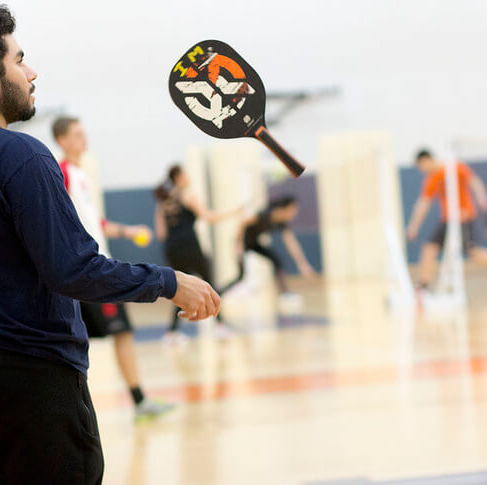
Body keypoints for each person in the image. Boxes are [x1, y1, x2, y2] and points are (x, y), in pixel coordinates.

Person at [0, 3, 218, 484]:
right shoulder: (23, 156)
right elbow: (73, 269)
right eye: (19, 59)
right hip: (32, 382)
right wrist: (169, 282)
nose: (32, 72)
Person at [53, 116, 175, 421]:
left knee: (119, 335)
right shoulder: (63, 173)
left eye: (84, 133)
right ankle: (78, 409)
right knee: (83, 341)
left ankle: (137, 400)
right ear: (62, 140)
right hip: (88, 272)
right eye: (77, 135)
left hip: (99, 265)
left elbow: (94, 223)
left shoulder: (81, 174)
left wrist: (126, 231)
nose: (85, 140)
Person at [406, 149, 487, 289]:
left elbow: (474, 181)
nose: (421, 170)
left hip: (464, 217)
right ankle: (423, 284)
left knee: (473, 251)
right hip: (447, 219)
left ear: (427, 160)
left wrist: (482, 199)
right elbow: (423, 203)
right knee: (430, 247)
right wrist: (414, 226)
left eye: (421, 166)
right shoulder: (431, 179)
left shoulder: (453, 168)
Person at [154, 165, 239, 342]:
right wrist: (234, 212)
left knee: (179, 286)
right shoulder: (188, 195)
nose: (188, 176)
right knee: (209, 283)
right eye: (185, 173)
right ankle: (220, 326)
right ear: (178, 177)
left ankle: (172, 332)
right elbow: (209, 218)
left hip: (172, 249)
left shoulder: (164, 200)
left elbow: (161, 233)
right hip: (190, 246)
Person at [222, 195, 315, 310]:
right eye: (293, 210)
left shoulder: (281, 223)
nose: (294, 214)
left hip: (254, 244)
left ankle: (284, 294)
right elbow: (243, 223)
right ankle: (218, 293)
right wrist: (239, 244)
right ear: (286, 208)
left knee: (277, 260)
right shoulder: (264, 214)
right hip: (241, 243)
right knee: (240, 276)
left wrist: (302, 264)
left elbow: (291, 243)